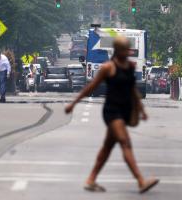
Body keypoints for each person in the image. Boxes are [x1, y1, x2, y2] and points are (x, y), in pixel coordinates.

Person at [65, 36, 159, 194]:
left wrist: (141, 109)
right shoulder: (108, 67)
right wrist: (73, 103)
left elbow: (133, 90)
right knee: (125, 142)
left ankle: (91, 179)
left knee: (107, 148)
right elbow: (91, 86)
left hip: (124, 111)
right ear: (117, 50)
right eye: (124, 49)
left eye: (128, 49)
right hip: (112, 111)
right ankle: (141, 181)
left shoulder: (129, 66)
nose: (127, 52)